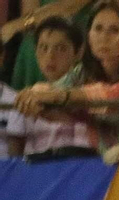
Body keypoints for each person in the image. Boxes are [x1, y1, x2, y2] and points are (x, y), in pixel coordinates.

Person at [12, 0, 119, 162]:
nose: (104, 37)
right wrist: (35, 98)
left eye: (114, 30)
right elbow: (56, 95)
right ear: (88, 35)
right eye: (98, 29)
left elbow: (112, 97)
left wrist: (55, 97)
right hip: (99, 165)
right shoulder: (81, 72)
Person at [0, 16, 95, 159]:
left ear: (78, 52)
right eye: (43, 48)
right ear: (35, 52)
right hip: (40, 173)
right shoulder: (27, 96)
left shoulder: (91, 93)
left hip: (82, 168)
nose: (50, 56)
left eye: (61, 48)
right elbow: (17, 156)